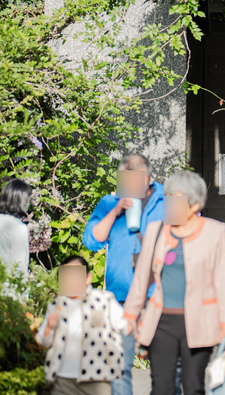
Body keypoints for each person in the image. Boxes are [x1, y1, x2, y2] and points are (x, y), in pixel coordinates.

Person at [123, 171, 225, 395]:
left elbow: (224, 280)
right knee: (162, 387)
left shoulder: (216, 231)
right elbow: (141, 278)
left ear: (194, 205)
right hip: (161, 322)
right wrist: (130, 315)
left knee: (194, 386)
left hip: (200, 321)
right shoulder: (157, 230)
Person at [84, 153, 165, 395]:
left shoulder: (168, 200)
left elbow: (189, 236)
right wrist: (116, 210)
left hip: (158, 298)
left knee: (164, 368)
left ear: (149, 178)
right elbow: (91, 240)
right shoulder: (109, 202)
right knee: (118, 367)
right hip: (120, 299)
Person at [37, 255, 131, 395]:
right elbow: (43, 341)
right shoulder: (56, 305)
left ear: (88, 278)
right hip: (62, 378)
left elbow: (125, 325)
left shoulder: (103, 300)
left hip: (97, 377)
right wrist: (50, 327)